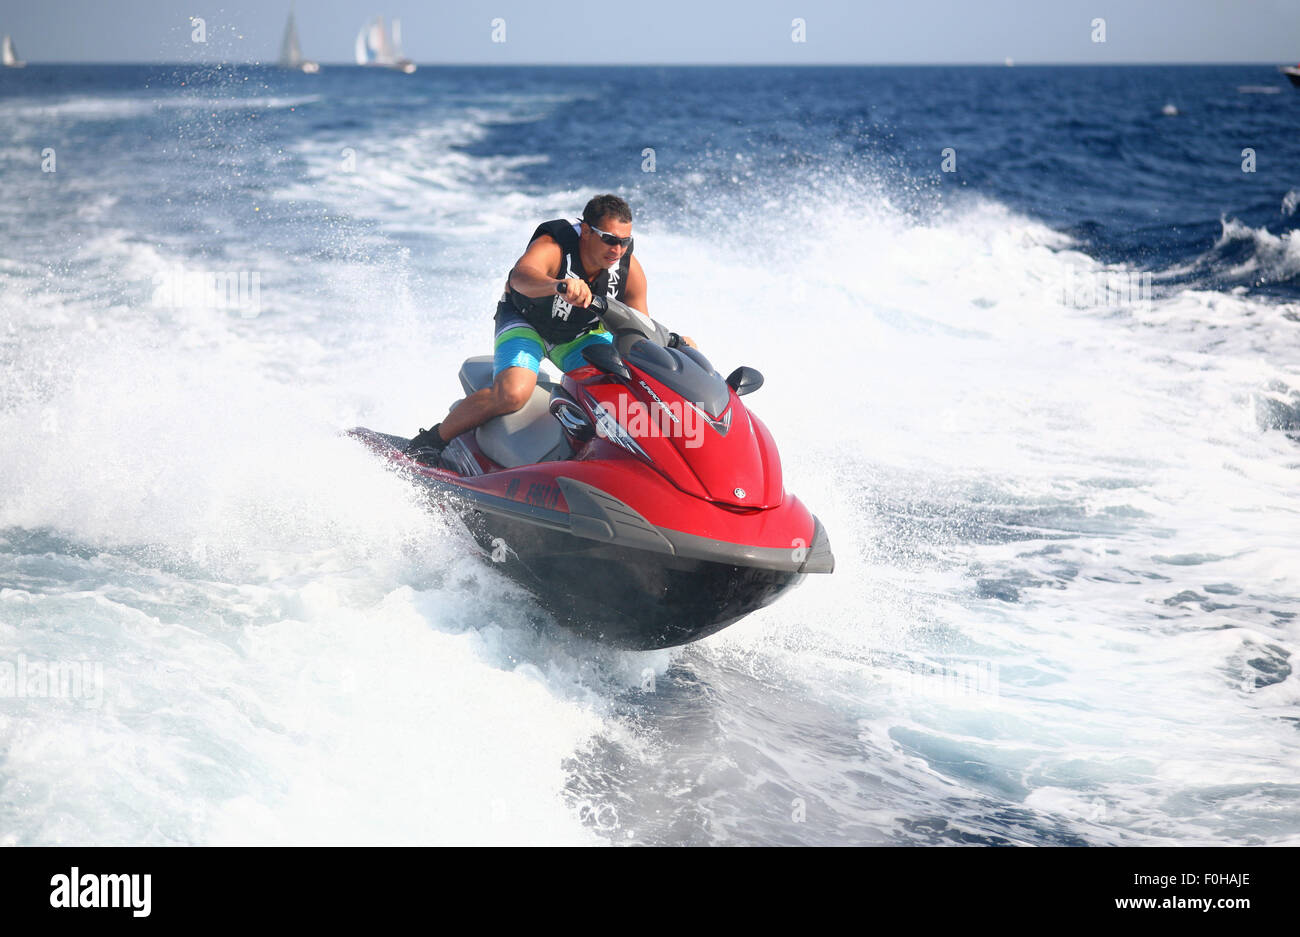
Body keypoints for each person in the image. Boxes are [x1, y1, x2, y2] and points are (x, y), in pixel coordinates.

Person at [405, 194, 693, 464]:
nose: (617, 249)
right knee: (513, 393)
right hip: (526, 324)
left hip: (580, 337)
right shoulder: (554, 246)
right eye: (609, 239)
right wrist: (557, 286)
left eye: (625, 241)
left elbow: (637, 327)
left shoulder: (628, 270)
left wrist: (672, 347)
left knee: (626, 388)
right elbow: (520, 277)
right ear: (587, 231)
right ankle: (431, 440)